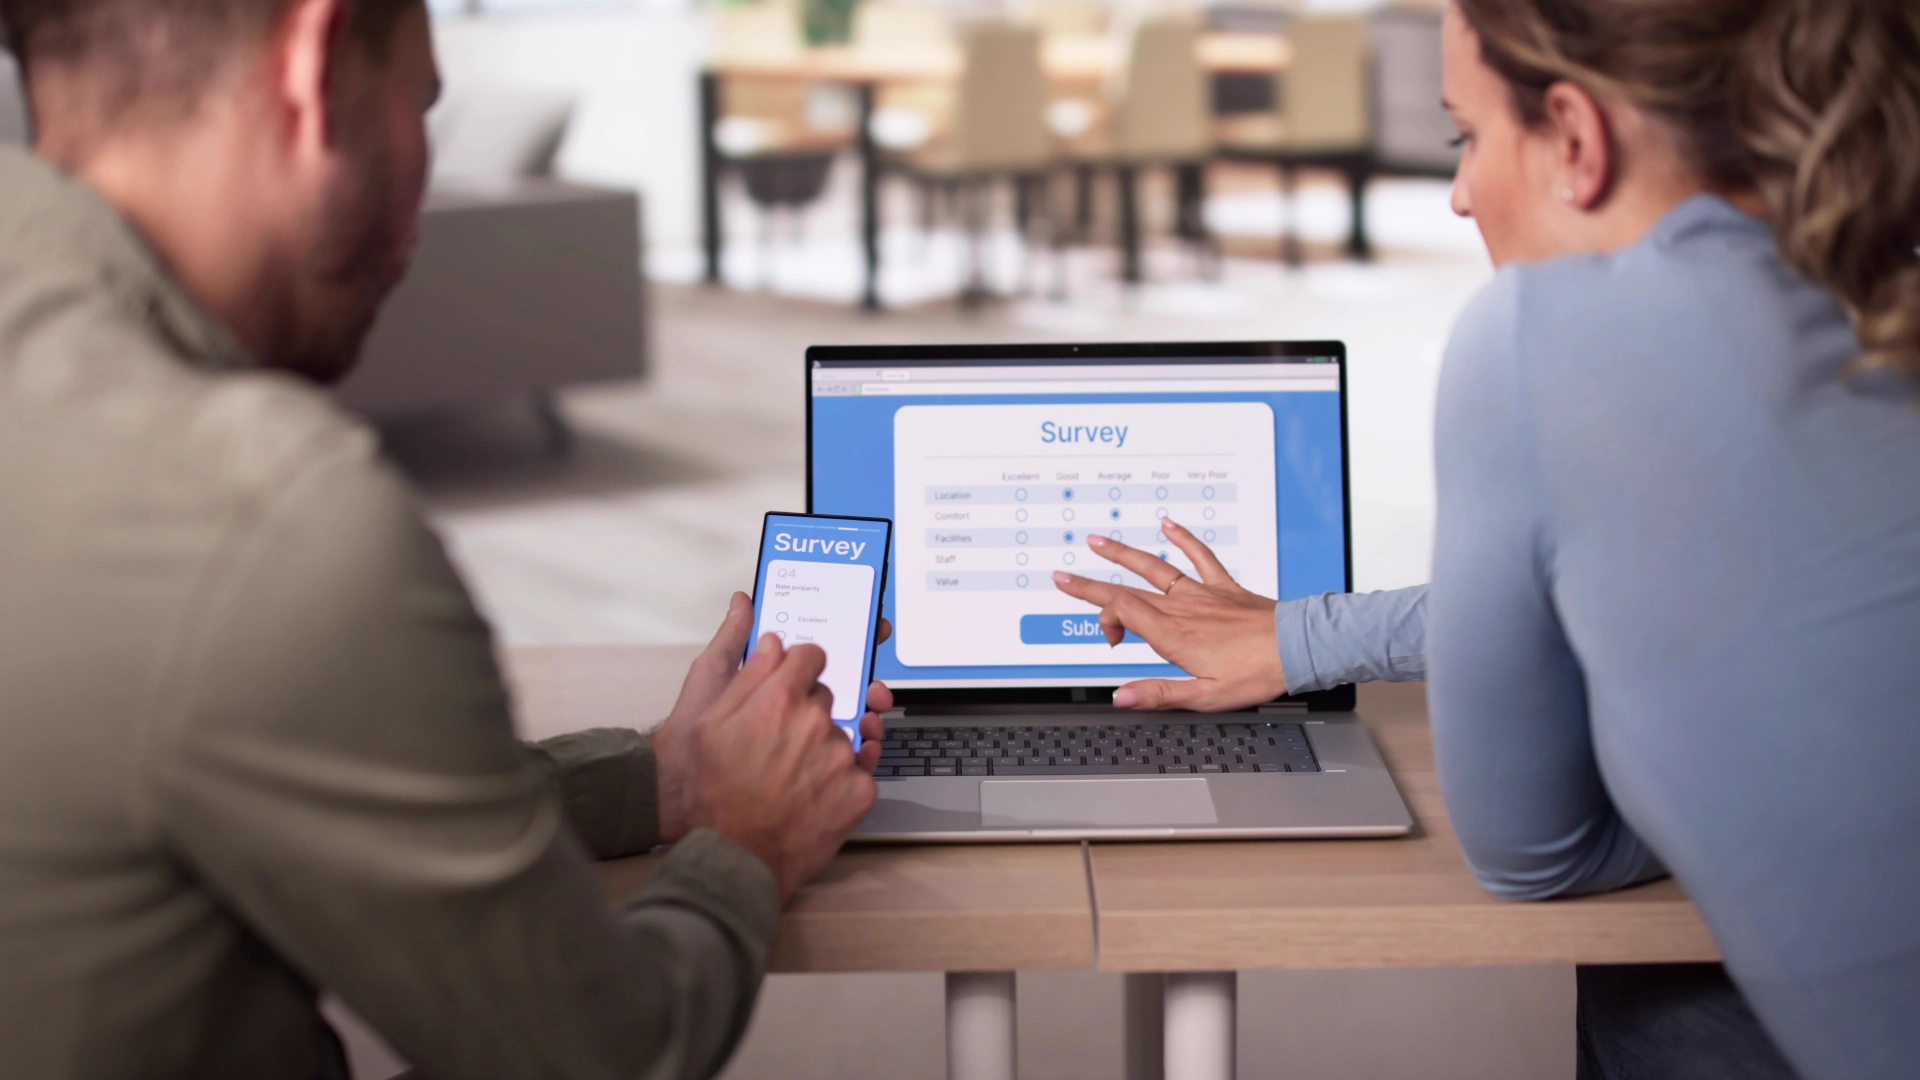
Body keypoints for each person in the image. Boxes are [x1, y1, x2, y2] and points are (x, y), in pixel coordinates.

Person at [0, 2, 891, 1078]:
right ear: (317, 66)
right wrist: (743, 843)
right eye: (424, 103)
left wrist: (664, 780)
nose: (421, 201)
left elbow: (279, 775)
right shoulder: (263, 510)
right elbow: (603, 1056)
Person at [1054, 1, 1920, 1078]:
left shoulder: (1548, 339)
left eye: (1466, 136)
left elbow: (1538, 852)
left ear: (1576, 137)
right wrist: (1311, 636)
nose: (1460, 194)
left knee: (1651, 987)